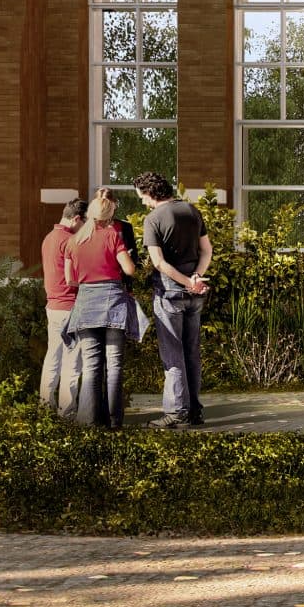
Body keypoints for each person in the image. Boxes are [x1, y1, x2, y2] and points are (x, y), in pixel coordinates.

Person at [134, 171, 211, 429]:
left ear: (151, 193)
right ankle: (195, 411)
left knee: (173, 354)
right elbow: (207, 250)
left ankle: (176, 412)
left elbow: (158, 263)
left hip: (169, 293)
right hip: (194, 292)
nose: (142, 202)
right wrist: (196, 278)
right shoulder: (192, 211)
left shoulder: (153, 218)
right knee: (192, 351)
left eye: (142, 196)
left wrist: (185, 281)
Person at [60, 190, 140, 427]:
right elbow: (129, 270)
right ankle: (115, 421)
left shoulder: (72, 242)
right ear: (108, 215)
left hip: (85, 302)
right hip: (113, 301)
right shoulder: (113, 235)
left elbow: (69, 279)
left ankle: (89, 421)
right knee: (114, 364)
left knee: (92, 364)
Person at [38, 197, 86, 416]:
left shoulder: (49, 238)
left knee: (53, 358)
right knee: (72, 362)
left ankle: (45, 408)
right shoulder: (71, 241)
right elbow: (78, 275)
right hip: (70, 305)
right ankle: (66, 413)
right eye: (86, 223)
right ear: (77, 219)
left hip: (53, 306)